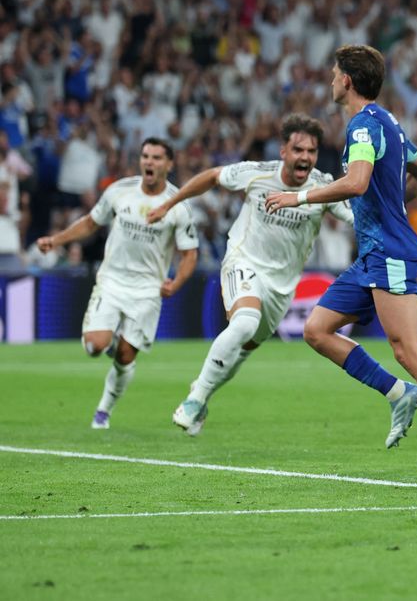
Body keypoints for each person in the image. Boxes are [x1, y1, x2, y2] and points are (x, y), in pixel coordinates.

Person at [264, 44, 417, 472]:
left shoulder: (363, 128)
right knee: (317, 329)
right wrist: (397, 205)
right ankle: (397, 393)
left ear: (346, 80)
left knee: (409, 350)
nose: (331, 80)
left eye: (333, 74)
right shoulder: (390, 123)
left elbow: (357, 181)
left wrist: (300, 196)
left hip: (387, 252)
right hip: (373, 255)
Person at [146, 114, 354, 435]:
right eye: (298, 149)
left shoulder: (322, 187)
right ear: (283, 150)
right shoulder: (257, 174)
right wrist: (170, 203)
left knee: (241, 353)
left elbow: (357, 220)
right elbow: (213, 176)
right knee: (243, 323)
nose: (305, 158)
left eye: (311, 151)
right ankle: (194, 399)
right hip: (244, 261)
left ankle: (201, 394)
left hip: (282, 286)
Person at [36, 138, 198, 429]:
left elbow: (189, 254)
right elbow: (90, 222)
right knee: (94, 346)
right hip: (112, 281)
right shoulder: (119, 191)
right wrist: (56, 240)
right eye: (146, 156)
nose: (149, 162)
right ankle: (108, 340)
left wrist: (176, 283)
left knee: (125, 355)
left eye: (157, 158)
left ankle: (103, 410)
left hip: (148, 289)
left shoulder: (177, 205)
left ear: (169, 164)